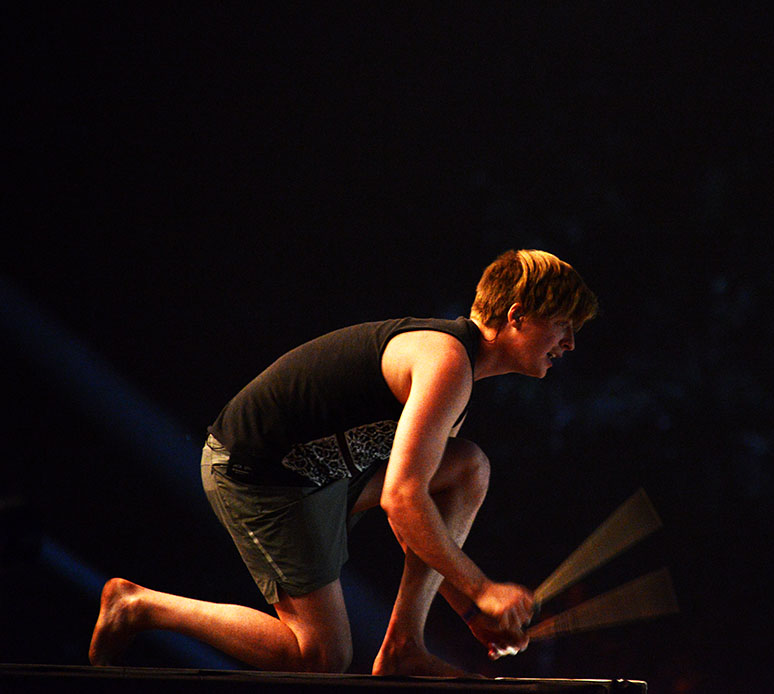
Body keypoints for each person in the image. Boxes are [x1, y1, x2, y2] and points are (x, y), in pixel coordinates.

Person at [89, 249, 598, 676]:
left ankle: (403, 650)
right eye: (563, 325)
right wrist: (481, 589)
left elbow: (415, 523)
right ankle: (138, 605)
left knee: (467, 467)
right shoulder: (445, 363)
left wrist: (471, 611)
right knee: (321, 658)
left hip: (322, 474)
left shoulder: (457, 379)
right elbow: (402, 500)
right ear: (516, 316)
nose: (571, 343)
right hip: (257, 471)